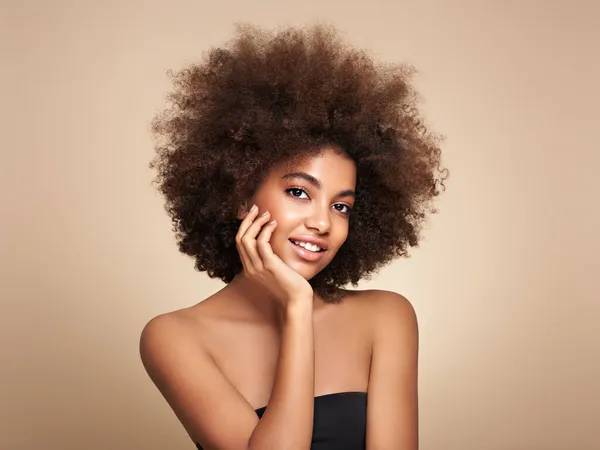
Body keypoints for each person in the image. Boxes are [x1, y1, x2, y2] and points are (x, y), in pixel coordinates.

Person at [140, 23, 448, 450]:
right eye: (299, 192)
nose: (323, 223)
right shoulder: (175, 337)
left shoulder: (386, 317)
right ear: (239, 195)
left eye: (341, 206)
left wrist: (296, 306)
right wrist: (298, 309)